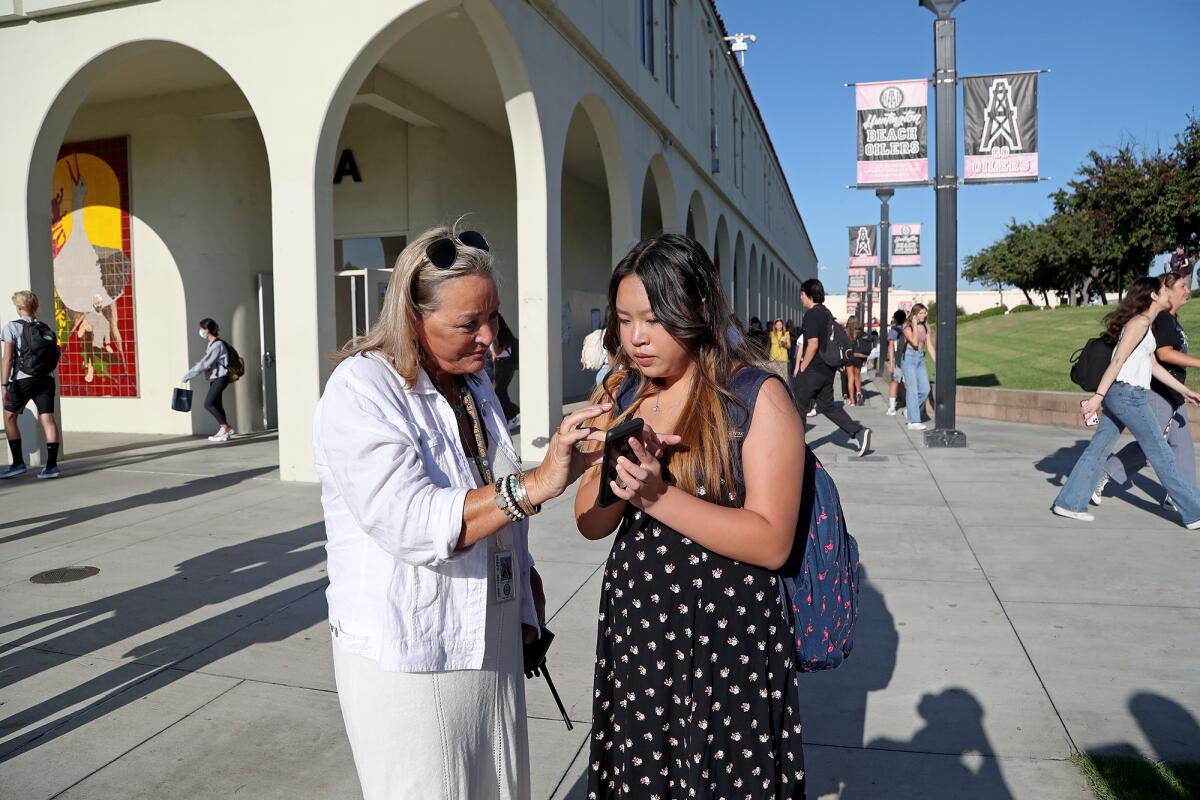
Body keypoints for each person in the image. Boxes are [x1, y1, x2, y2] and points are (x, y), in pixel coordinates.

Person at [313, 226, 671, 799]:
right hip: (413, 652)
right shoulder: (362, 389)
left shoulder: (471, 381)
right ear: (411, 317)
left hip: (491, 633)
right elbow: (413, 521)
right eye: (467, 324)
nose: (489, 339)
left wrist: (570, 462)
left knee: (501, 786)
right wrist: (536, 483)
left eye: (492, 318)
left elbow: (488, 483)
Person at [575, 233, 806, 799]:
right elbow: (590, 521)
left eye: (653, 319)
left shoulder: (755, 396)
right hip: (640, 636)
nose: (635, 338)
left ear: (699, 309)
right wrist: (619, 480)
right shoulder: (622, 389)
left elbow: (773, 540)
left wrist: (659, 497)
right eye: (625, 320)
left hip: (725, 641)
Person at [1053, 275, 1200, 527]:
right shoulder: (1140, 323)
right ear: (1153, 295)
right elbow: (1117, 361)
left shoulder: (1146, 325)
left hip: (1123, 394)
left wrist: (1184, 390)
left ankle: (1069, 502)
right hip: (1129, 396)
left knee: (1098, 449)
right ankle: (1194, 512)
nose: (1168, 292)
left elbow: (1153, 366)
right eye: (1164, 289)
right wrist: (1097, 397)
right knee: (1162, 454)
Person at [1095, 269, 1199, 509]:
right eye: (1181, 286)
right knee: (1151, 445)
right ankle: (1102, 473)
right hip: (1158, 392)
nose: (1187, 290)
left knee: (1181, 445)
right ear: (1166, 291)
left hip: (1174, 393)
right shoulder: (1161, 318)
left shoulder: (1171, 319)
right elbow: (1164, 354)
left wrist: (1184, 391)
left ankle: (1182, 497)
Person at [793, 279, 872, 456]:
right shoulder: (826, 313)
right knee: (828, 407)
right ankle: (859, 432)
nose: (800, 297)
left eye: (802, 293)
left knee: (798, 406)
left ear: (809, 294)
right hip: (827, 370)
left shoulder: (812, 314)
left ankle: (796, 450)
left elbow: (812, 344)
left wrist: (802, 367)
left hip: (813, 369)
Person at [1, 291, 62, 479]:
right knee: (48, 419)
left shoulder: (12, 327)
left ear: (20, 308)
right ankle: (51, 467)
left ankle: (18, 463)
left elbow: (8, 358)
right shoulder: (44, 327)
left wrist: (4, 385)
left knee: (9, 417)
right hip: (46, 379)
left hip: (23, 379)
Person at [181, 318, 234, 443]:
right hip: (216, 377)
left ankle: (225, 427)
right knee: (216, 404)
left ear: (208, 330)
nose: (201, 331)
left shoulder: (217, 345)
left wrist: (188, 375)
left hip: (221, 377)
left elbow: (204, 363)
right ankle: (226, 429)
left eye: (202, 328)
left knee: (208, 404)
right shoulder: (213, 344)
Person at [900, 304, 935, 431]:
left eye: (925, 313)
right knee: (912, 389)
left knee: (925, 389)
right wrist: (914, 324)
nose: (923, 315)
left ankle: (909, 410)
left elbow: (929, 345)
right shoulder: (907, 326)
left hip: (920, 358)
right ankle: (913, 421)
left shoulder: (926, 326)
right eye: (920, 313)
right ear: (914, 314)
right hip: (908, 358)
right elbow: (914, 343)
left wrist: (937, 362)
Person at [491, 313, 519, 430]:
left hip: (503, 364)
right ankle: (511, 416)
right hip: (505, 365)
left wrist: (494, 343)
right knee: (502, 392)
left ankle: (512, 414)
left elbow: (496, 352)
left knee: (499, 393)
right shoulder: (507, 335)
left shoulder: (499, 336)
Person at [844, 315, 871, 407]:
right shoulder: (861, 333)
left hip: (849, 357)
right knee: (857, 377)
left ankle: (852, 401)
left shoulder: (846, 333)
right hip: (858, 358)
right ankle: (859, 393)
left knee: (850, 378)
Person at [885, 309, 907, 416]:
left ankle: (892, 408)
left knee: (894, 383)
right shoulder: (908, 329)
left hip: (898, 360)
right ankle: (909, 407)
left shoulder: (894, 331)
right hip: (908, 359)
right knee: (908, 384)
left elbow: (891, 346)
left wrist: (891, 363)